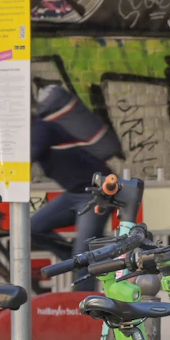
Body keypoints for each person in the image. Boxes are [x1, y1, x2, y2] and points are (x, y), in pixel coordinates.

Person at [28, 82, 123, 290]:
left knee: (83, 258)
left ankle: (85, 309)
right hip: (74, 194)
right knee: (33, 228)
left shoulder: (43, 128)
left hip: (98, 192)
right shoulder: (39, 130)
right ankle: (84, 253)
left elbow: (30, 155)